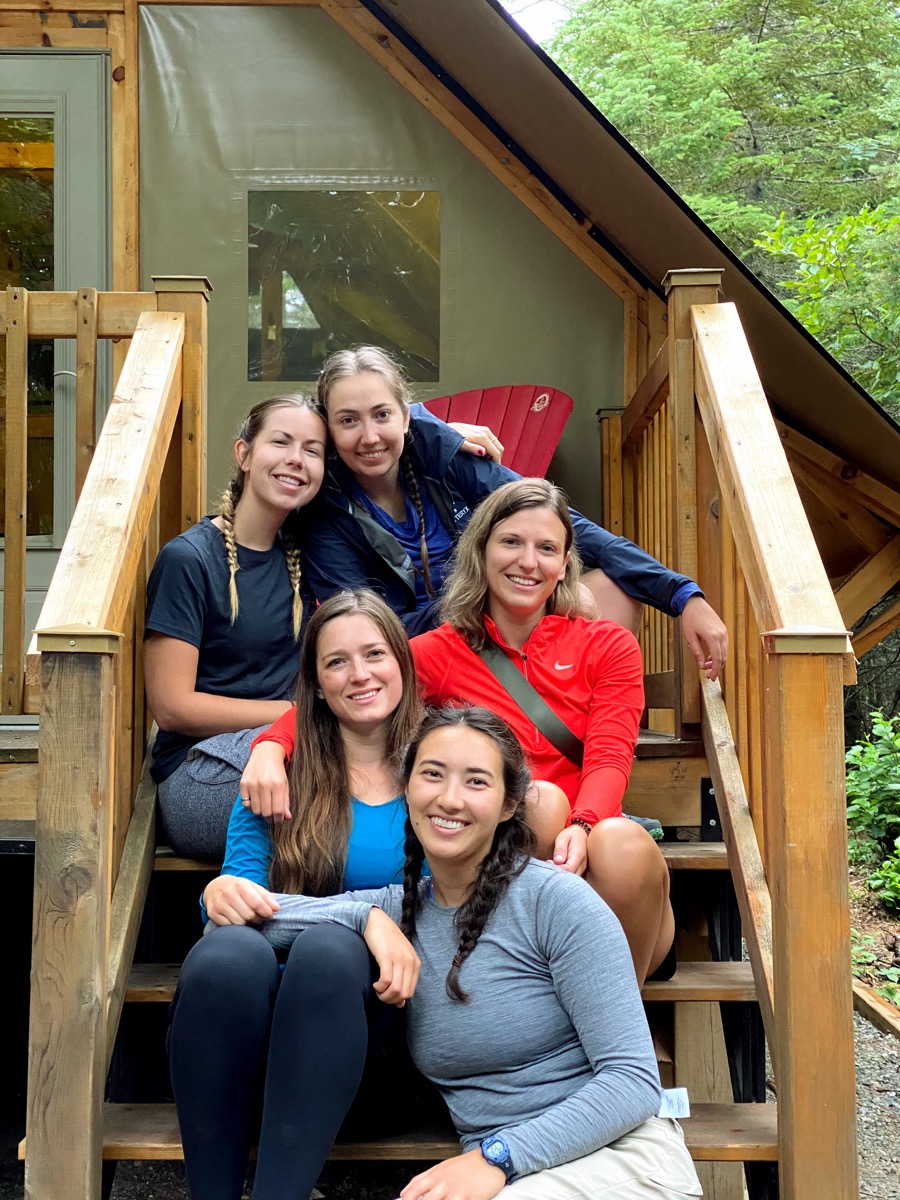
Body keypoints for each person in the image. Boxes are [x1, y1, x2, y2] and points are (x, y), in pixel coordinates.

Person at [246, 707, 701, 1200]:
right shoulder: (402, 909)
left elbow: (633, 1081)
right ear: (407, 788)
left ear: (508, 805)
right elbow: (266, 918)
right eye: (432, 775)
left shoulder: (556, 903)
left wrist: (498, 1156)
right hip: (506, 1171)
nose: (449, 798)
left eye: (477, 782)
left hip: (617, 1155)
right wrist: (355, 917)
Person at [251, 479, 671, 983]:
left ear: (564, 565)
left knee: (619, 843)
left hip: (594, 853)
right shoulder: (439, 651)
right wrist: (270, 747)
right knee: (537, 803)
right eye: (511, 542)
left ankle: (619, 1028)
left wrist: (582, 827)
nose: (528, 562)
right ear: (482, 551)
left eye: (547, 549)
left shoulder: (608, 645)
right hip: (504, 845)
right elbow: (352, 692)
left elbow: (609, 755)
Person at [167, 590, 428, 1200]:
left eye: (374, 654)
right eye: (336, 661)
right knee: (226, 955)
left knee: (326, 953)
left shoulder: (438, 767)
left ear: (403, 664)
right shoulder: (275, 777)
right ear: (313, 681)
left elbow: (433, 904)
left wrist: (363, 920)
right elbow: (237, 905)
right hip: (248, 1058)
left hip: (372, 1051)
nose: (359, 674)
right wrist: (224, 896)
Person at [300, 343, 727, 677]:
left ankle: (567, 723)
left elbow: (565, 526)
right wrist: (486, 599)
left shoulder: (447, 459)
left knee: (608, 590)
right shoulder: (326, 512)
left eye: (382, 414)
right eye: (349, 421)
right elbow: (368, 631)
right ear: (328, 429)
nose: (370, 436)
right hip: (418, 659)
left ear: (406, 417)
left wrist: (681, 594)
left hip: (506, 633)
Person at [144, 393, 327, 861]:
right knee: (342, 804)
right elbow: (173, 707)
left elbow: (375, 438)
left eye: (312, 450)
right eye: (281, 442)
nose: (296, 459)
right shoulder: (190, 559)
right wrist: (291, 713)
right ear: (244, 454)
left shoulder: (313, 556)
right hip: (202, 771)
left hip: (289, 752)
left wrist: (440, 434)